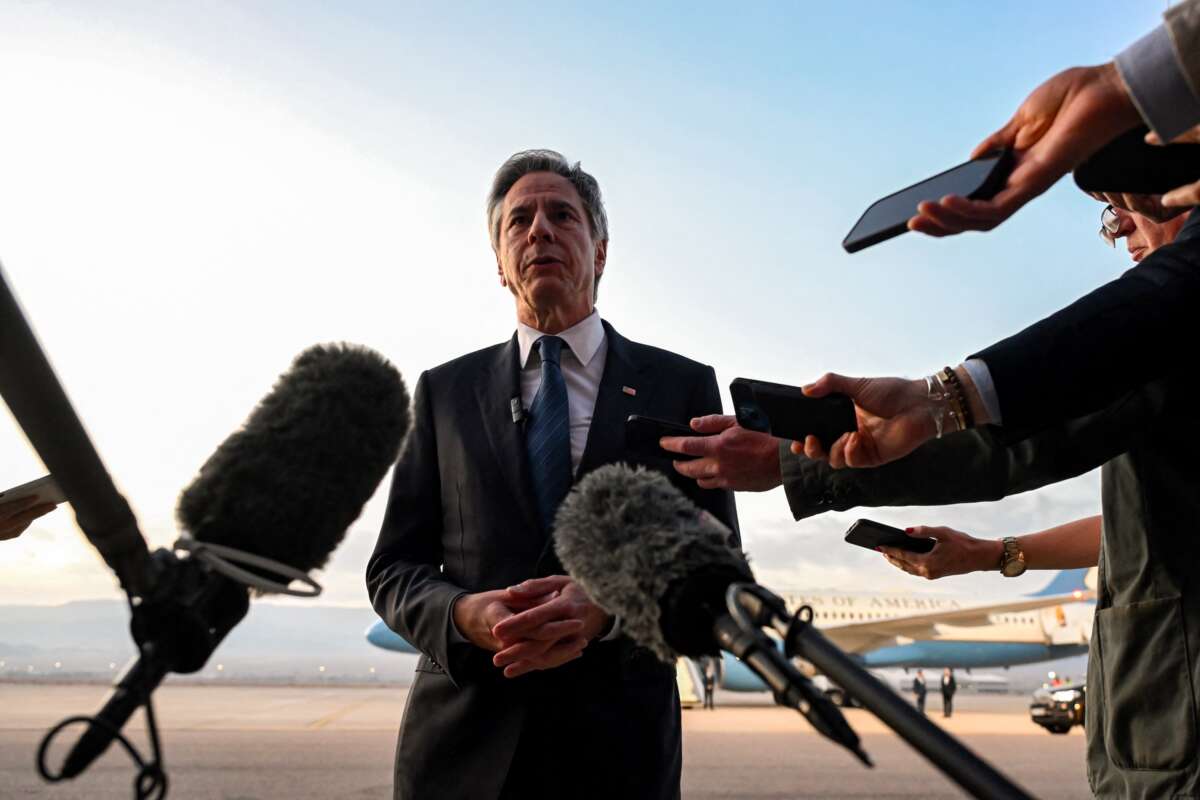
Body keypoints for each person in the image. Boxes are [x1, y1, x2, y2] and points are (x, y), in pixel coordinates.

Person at [667, 204, 1200, 797]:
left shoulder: (1172, 323)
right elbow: (1135, 525)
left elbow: (1029, 434)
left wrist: (798, 459)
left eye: (1132, 199)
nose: (1120, 228)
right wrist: (992, 552)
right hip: (1155, 715)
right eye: (1110, 213)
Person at [366, 149, 739, 800]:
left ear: (599, 249)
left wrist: (611, 609)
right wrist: (463, 616)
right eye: (519, 221)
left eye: (562, 215)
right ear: (500, 266)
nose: (540, 230)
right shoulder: (442, 394)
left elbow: (718, 562)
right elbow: (393, 570)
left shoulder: (681, 387)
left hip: (618, 755)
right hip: (461, 756)